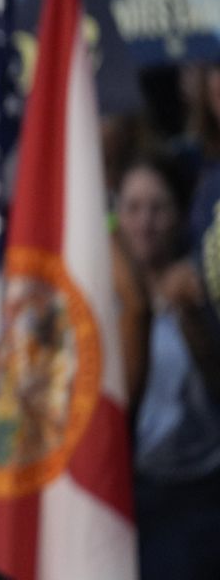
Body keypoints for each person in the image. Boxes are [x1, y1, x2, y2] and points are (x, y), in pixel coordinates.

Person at [114, 153, 220, 579]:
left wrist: (193, 315)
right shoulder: (102, 291)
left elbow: (217, 383)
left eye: (158, 208)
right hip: (128, 487)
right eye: (133, 208)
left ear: (180, 215)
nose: (145, 222)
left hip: (198, 496)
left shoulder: (203, 282)